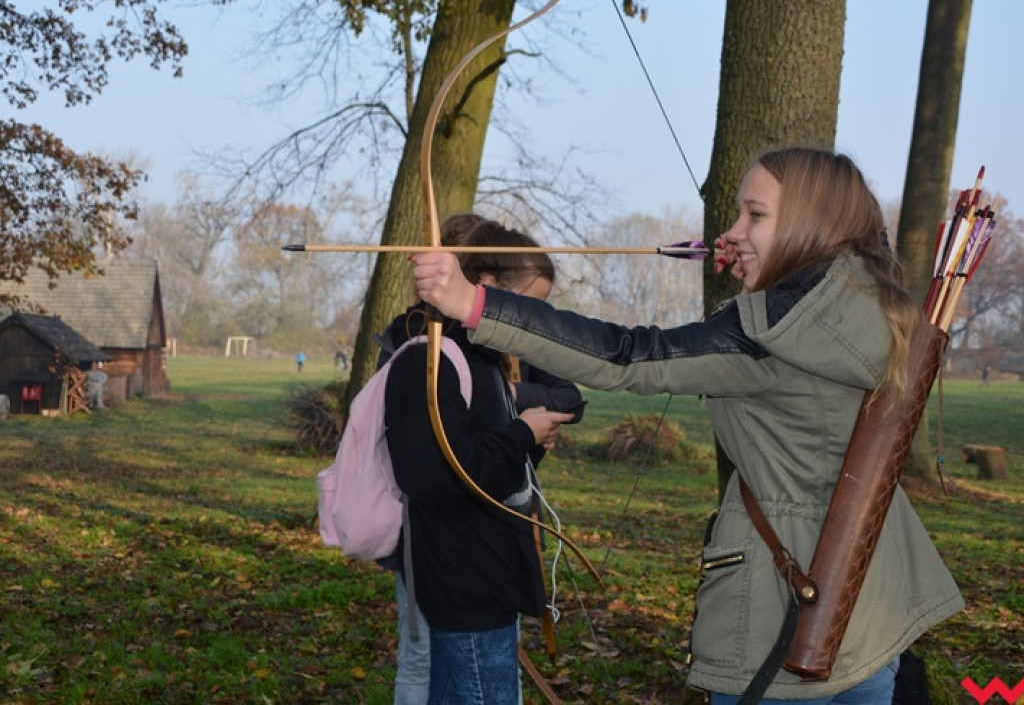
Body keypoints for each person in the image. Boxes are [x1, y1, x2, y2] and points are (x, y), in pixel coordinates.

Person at [411, 147, 964, 703]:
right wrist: (765, 266)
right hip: (871, 610)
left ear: (809, 224)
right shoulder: (871, 302)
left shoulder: (768, 334)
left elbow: (628, 356)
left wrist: (475, 303)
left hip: (787, 618)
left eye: (755, 215)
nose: (733, 231)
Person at [384, 219, 579, 705]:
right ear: (488, 284)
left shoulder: (483, 355)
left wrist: (530, 437)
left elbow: (491, 466)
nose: (534, 319)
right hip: (465, 579)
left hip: (487, 575)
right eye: (529, 304)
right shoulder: (430, 357)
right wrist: (523, 432)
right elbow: (437, 475)